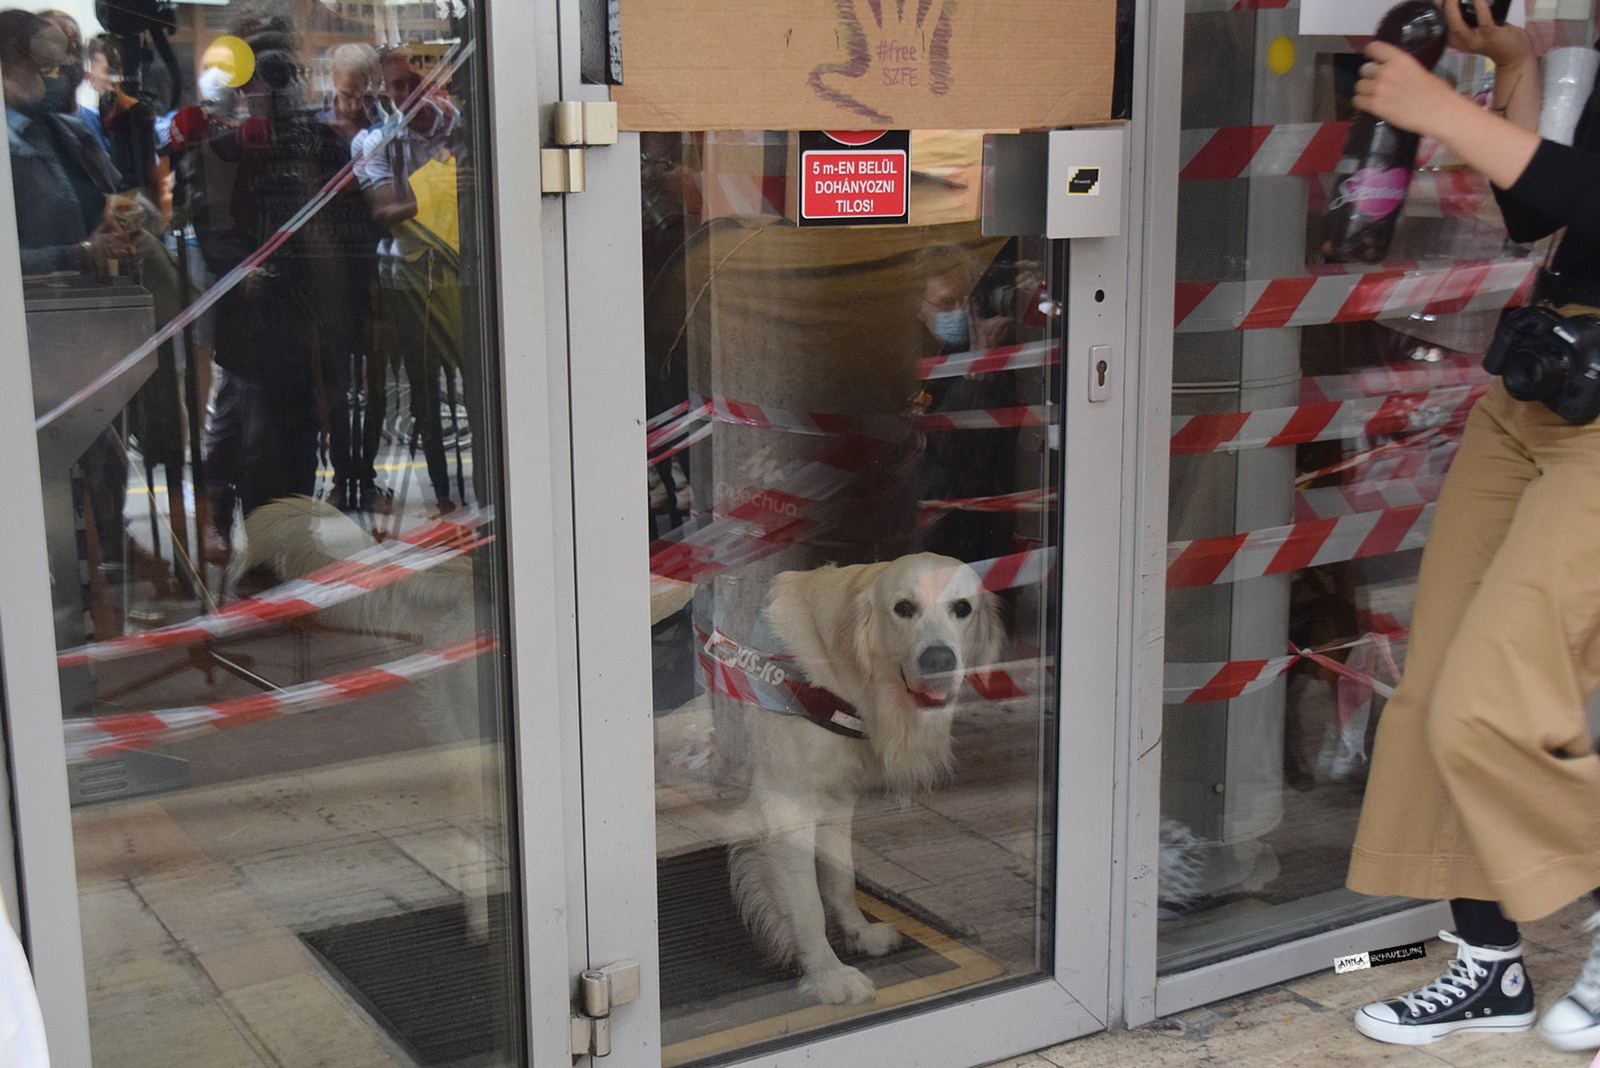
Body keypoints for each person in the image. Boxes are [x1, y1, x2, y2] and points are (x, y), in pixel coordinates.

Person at [1343, 0, 1600, 1052]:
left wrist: (1438, 108)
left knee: (1488, 707)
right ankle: (1486, 965)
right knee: (1433, 694)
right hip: (1540, 386)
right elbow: (1537, 213)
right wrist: (1511, 78)